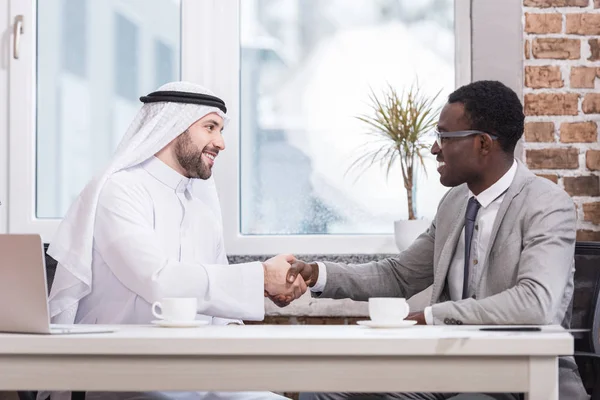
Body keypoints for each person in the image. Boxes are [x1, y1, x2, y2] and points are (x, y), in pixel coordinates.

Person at [281, 80, 589, 400]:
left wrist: (432, 317)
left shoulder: (547, 204)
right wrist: (317, 273)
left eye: (444, 136)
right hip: (451, 364)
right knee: (324, 390)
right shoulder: (455, 203)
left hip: (522, 371)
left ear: (483, 144)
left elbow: (534, 303)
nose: (434, 148)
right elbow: (398, 275)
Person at [46, 81, 306, 400]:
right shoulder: (120, 191)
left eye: (221, 130)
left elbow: (222, 314)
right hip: (121, 377)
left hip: (198, 376)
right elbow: (158, 281)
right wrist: (261, 276)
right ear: (172, 127)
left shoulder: (203, 210)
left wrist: (258, 297)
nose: (221, 142)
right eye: (210, 127)